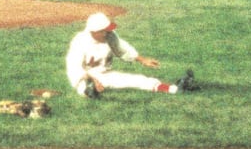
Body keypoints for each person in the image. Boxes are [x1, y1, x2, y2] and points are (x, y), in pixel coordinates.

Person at [66, 12, 194, 97]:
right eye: (104, 31)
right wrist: (92, 79)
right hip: (85, 77)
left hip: (106, 74)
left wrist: (141, 59)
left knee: (137, 79)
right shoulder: (79, 41)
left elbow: (122, 48)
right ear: (95, 31)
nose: (107, 33)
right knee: (85, 88)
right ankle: (90, 90)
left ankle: (174, 89)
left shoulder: (109, 36)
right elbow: (73, 68)